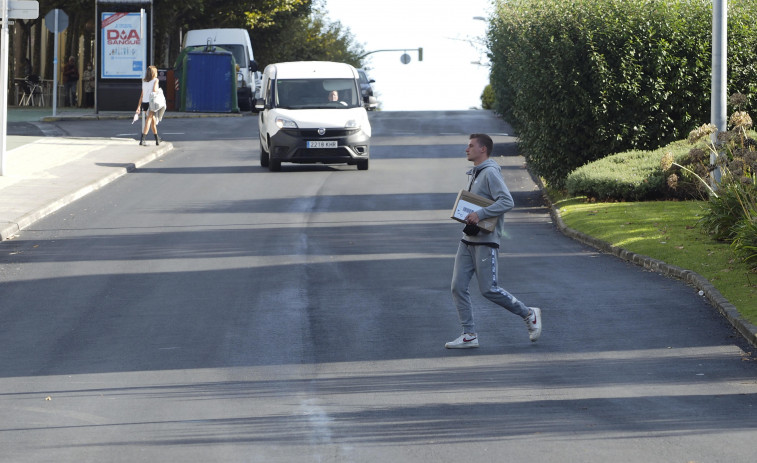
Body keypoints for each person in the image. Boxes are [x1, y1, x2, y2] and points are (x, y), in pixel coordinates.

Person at [445, 133, 542, 349]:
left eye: (470, 146)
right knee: (457, 287)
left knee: (489, 289)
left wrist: (479, 214)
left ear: (483, 149)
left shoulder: (489, 172)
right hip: (468, 239)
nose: (466, 149)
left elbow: (507, 201)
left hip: (486, 241)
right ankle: (469, 334)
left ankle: (528, 313)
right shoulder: (477, 173)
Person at [136, 65, 162, 146]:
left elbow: (142, 94)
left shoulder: (144, 81)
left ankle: (157, 139)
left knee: (152, 120)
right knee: (149, 120)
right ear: (154, 73)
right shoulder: (155, 80)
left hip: (144, 102)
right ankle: (142, 139)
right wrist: (159, 91)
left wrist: (139, 106)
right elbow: (154, 90)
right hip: (151, 102)